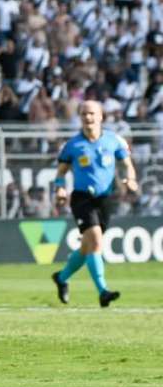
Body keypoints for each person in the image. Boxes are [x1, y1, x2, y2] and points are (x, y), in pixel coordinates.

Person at [51, 100, 137, 308]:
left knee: (87, 247)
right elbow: (61, 173)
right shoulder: (73, 145)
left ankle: (61, 278)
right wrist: (60, 188)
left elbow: (128, 165)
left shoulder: (113, 141)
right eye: (83, 114)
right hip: (82, 199)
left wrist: (131, 180)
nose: (87, 118)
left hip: (105, 199)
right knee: (96, 241)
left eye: (91, 114)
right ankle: (103, 292)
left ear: (100, 116)